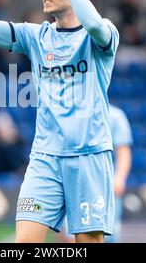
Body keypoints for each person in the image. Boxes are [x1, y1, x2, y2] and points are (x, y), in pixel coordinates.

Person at [0, 0, 119, 243]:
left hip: (88, 156)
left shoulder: (100, 35)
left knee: (87, 243)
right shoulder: (35, 36)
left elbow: (95, 26)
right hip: (44, 158)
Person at [58, 104, 133, 243]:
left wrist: (119, 178)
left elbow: (123, 150)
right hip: (74, 185)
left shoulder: (115, 115)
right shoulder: (67, 113)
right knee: (70, 237)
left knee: (107, 237)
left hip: (105, 188)